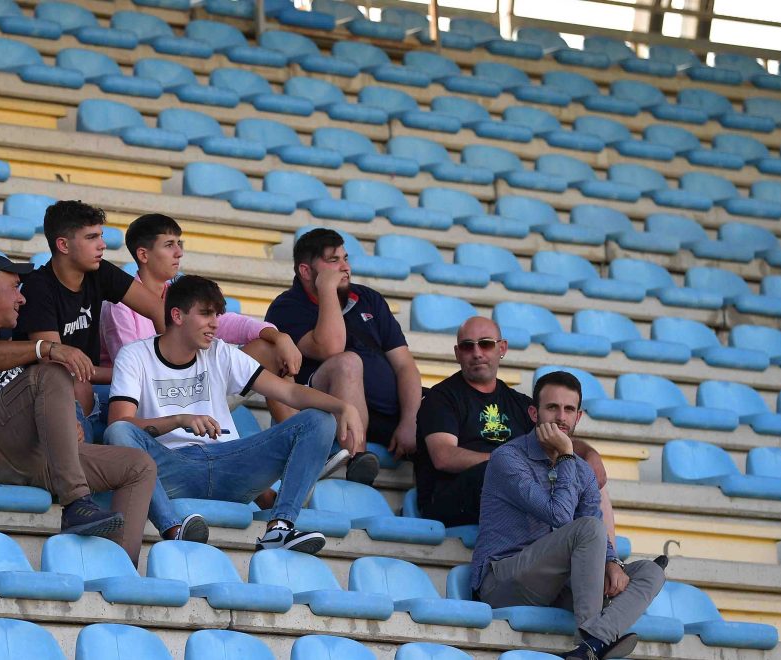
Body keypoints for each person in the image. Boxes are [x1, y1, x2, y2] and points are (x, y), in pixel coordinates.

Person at [0, 253, 157, 564]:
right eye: (15, 287)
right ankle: (76, 503)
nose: (22, 298)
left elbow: (24, 410)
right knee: (51, 370)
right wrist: (45, 347)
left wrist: (64, 425)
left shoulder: (6, 340)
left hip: (22, 455)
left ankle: (119, 571)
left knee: (138, 465)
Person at [104, 275, 362, 553]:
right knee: (118, 432)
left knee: (320, 419)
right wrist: (179, 420)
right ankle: (173, 529)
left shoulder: (221, 352)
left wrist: (342, 407)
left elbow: (290, 393)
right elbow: (121, 423)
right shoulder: (135, 355)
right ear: (177, 315)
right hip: (171, 469)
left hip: (230, 466)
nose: (215, 323)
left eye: (217, 314)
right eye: (205, 313)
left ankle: (280, 527)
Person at [471, 370, 665, 660]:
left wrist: (612, 562)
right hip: (504, 580)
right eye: (552, 407)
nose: (561, 417)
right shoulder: (508, 458)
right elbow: (561, 517)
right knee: (587, 528)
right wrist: (565, 454)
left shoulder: (581, 470)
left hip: (556, 585)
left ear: (578, 417)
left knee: (649, 572)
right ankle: (592, 637)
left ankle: (590, 647)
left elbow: (595, 524)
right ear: (534, 413)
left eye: (569, 409)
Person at [414, 317, 617, 544]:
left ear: (502, 348)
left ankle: (608, 558)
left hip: (511, 492)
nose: (477, 353)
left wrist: (589, 453)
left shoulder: (519, 403)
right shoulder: (441, 398)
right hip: (452, 499)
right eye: (467, 346)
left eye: (486, 344)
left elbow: (556, 435)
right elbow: (444, 456)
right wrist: (506, 462)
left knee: (586, 473)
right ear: (457, 353)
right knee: (503, 473)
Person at [101, 213, 302, 424]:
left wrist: (280, 337)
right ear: (143, 255)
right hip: (154, 398)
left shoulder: (179, 294)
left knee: (272, 349)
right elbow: (131, 368)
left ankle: (296, 437)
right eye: (169, 245)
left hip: (194, 386)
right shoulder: (119, 305)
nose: (179, 252)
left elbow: (233, 323)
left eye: (179, 244)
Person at [265, 228, 423, 485]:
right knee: (347, 363)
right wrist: (327, 289)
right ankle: (358, 459)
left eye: (345, 258)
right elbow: (331, 349)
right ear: (306, 271)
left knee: (445, 408)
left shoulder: (368, 298)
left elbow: (405, 365)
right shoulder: (287, 306)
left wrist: (410, 420)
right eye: (333, 260)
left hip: (387, 413)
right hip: (326, 409)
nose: (345, 267)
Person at [15, 201, 166, 441]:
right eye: (91, 237)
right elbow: (57, 365)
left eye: (101, 236)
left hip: (91, 385)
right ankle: (82, 456)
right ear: (63, 245)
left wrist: (168, 367)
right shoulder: (38, 287)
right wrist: (128, 374)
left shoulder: (99, 271)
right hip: (45, 394)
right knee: (77, 382)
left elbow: (158, 309)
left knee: (155, 395)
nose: (102, 244)